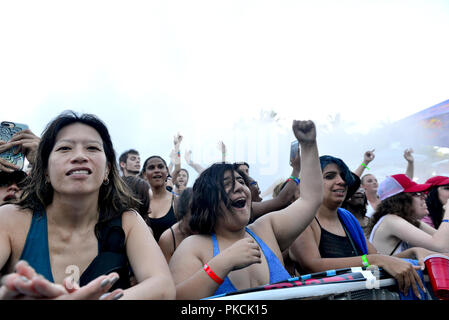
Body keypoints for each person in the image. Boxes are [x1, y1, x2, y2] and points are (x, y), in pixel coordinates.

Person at [0, 111, 175, 300]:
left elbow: (163, 287)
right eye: (65, 148)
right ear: (45, 171)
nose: (80, 156)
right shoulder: (9, 219)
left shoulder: (128, 221)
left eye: (92, 148)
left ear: (107, 169)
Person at [169, 120, 323, 299]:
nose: (239, 188)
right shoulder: (193, 246)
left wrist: (309, 145)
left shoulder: (267, 229)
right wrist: (222, 264)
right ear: (208, 201)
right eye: (227, 184)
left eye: (241, 182)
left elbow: (310, 200)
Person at [288, 157, 427, 298]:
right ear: (312, 182)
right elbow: (312, 265)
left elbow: (378, 259)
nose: (341, 181)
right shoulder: (303, 219)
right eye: (330, 176)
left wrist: (413, 252)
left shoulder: (347, 219)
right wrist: (373, 261)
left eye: (343, 176)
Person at [369, 174, 449, 254]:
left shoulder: (412, 221)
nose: (424, 197)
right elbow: (440, 246)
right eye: (418, 194)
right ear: (401, 200)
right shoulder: (390, 220)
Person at [141, 155, 178, 242]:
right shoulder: (139, 202)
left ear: (167, 171)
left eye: (160, 167)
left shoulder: (177, 202)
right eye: (151, 167)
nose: (157, 170)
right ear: (144, 174)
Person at [158, 188, 194, 263]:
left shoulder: (205, 231)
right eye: (193, 208)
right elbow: (165, 272)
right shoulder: (167, 239)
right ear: (184, 209)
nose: (197, 214)